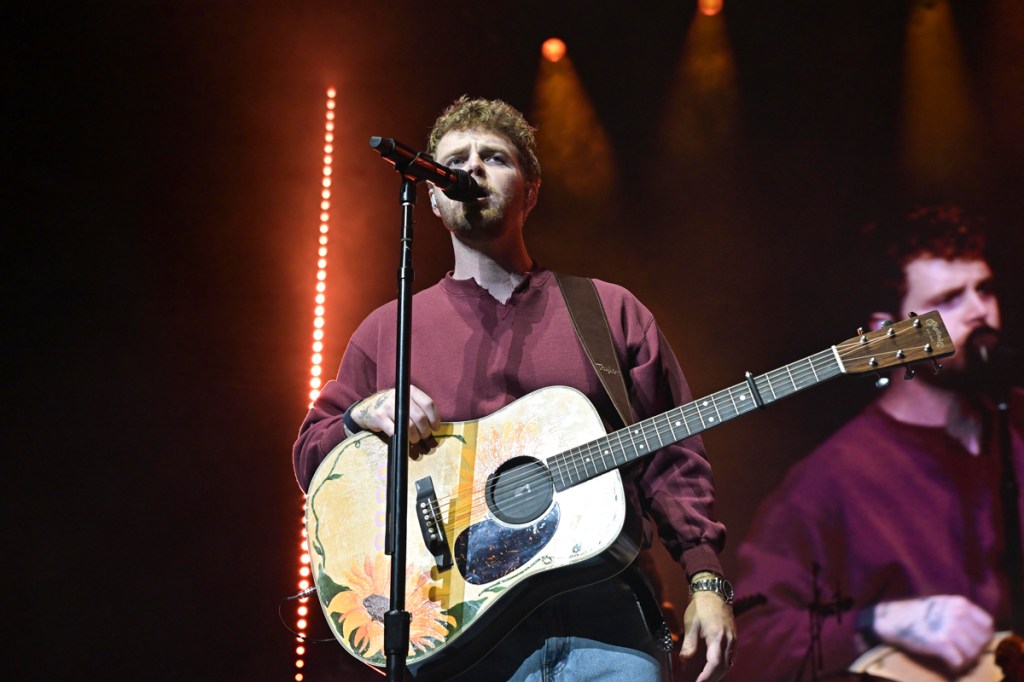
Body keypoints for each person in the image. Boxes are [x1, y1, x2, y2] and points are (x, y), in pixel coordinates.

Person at [293, 96, 736, 681]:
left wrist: (705, 577)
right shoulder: (388, 330)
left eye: (494, 157)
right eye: (455, 158)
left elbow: (673, 456)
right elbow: (312, 456)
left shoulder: (608, 312)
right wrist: (362, 415)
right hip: (456, 631)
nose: (471, 168)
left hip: (604, 620)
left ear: (530, 190)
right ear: (430, 194)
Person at [730, 205, 1023, 681]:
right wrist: (878, 623)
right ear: (889, 336)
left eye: (985, 289)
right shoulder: (832, 478)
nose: (980, 311)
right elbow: (753, 641)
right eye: (949, 299)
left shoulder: (1016, 421)